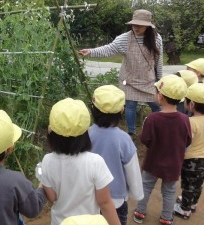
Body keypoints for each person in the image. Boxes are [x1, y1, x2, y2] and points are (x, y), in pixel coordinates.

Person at [79, 9, 163, 137]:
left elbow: (159, 60)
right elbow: (109, 49)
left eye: (139, 25)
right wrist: (91, 52)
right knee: (130, 106)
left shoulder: (156, 39)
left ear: (147, 26)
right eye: (134, 24)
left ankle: (159, 129)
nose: (136, 27)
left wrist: (159, 79)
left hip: (148, 80)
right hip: (128, 80)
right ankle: (131, 132)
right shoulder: (124, 39)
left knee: (157, 105)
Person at [39, 98, 121, 225]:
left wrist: (41, 178)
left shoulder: (47, 161)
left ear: (51, 131)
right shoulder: (95, 162)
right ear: (86, 131)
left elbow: (52, 198)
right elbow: (104, 202)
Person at [133, 75, 192, 225]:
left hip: (153, 161)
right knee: (170, 191)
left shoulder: (152, 118)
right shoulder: (185, 119)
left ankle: (140, 212)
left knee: (146, 186)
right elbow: (188, 140)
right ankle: (166, 217)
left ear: (160, 96)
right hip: (174, 163)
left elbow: (145, 140)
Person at [89, 85, 144, 225]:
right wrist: (136, 193)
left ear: (93, 109)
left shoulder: (86, 135)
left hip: (89, 198)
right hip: (116, 201)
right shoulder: (124, 139)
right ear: (122, 110)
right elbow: (132, 170)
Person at [174, 83, 204, 219]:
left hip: (191, 161)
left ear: (191, 104)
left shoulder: (190, 122)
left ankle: (185, 210)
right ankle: (193, 204)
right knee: (197, 185)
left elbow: (186, 143)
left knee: (188, 186)